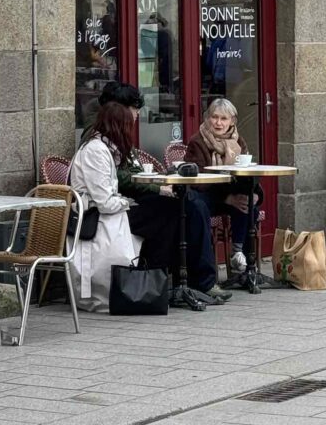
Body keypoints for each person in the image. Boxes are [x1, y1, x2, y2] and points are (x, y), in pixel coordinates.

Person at [83, 81, 226, 302]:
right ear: (118, 111)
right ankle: (167, 283)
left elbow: (130, 171)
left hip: (127, 200)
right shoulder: (98, 141)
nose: (137, 115)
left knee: (191, 204)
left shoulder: (114, 138)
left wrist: (155, 184)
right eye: (134, 109)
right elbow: (113, 184)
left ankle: (188, 281)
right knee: (174, 212)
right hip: (111, 211)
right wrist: (154, 186)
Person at [68, 101, 142, 312]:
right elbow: (105, 202)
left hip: (100, 211)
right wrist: (126, 202)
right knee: (159, 219)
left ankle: (142, 283)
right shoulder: (96, 151)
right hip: (94, 217)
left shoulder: (105, 149)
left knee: (161, 217)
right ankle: (134, 285)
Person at [185, 99, 262, 273]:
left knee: (249, 204)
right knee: (244, 205)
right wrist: (227, 198)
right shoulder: (197, 141)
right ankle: (240, 257)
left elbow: (246, 171)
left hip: (232, 194)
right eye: (214, 117)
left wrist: (256, 194)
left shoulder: (238, 141)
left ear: (232, 121)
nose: (218, 123)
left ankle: (240, 259)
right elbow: (198, 182)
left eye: (224, 119)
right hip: (207, 197)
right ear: (207, 118)